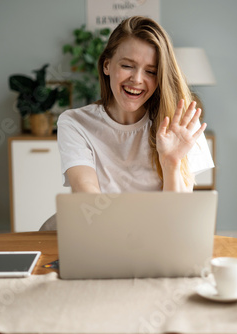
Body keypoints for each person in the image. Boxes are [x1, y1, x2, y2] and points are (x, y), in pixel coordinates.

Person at [40, 16, 214, 230]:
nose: (137, 79)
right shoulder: (75, 123)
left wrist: (171, 163)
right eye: (127, 66)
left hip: (154, 238)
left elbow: (177, 219)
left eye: (150, 71)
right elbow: (85, 192)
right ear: (106, 65)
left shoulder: (181, 128)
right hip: (93, 231)